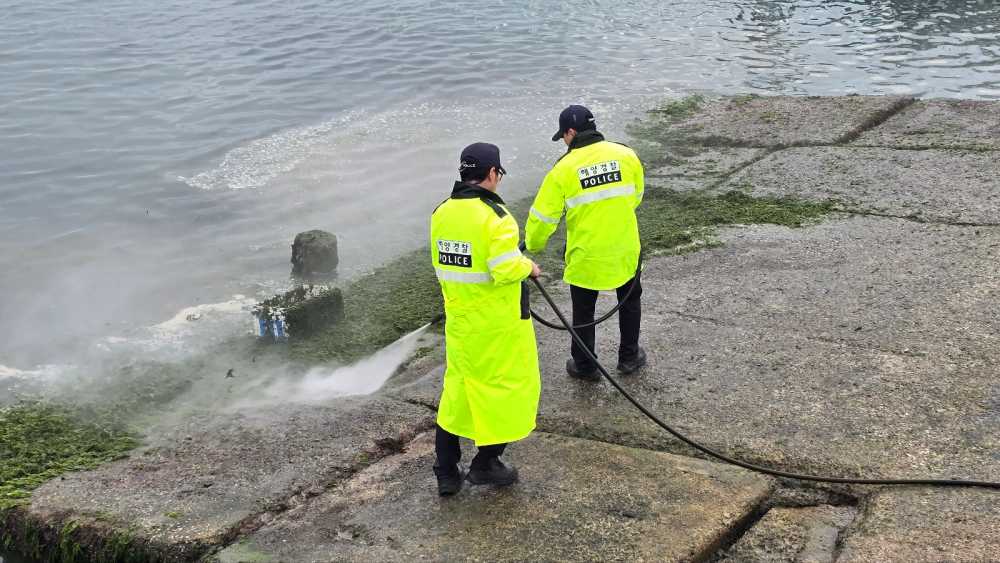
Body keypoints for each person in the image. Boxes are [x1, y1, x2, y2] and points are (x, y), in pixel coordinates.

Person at [429, 142, 542, 496]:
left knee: (456, 396)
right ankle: (486, 463)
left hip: (460, 323)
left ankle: (446, 472)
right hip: (497, 327)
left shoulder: (441, 213)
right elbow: (505, 267)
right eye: (499, 173)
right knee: (507, 393)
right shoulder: (496, 218)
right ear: (492, 173)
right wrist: (529, 266)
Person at [524, 105, 646, 381]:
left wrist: (533, 245)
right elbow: (636, 194)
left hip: (586, 254)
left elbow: (543, 217)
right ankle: (629, 358)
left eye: (563, 137)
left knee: (583, 310)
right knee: (629, 301)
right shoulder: (626, 154)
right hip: (625, 247)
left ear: (570, 132)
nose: (564, 142)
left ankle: (585, 365)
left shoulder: (563, 169)